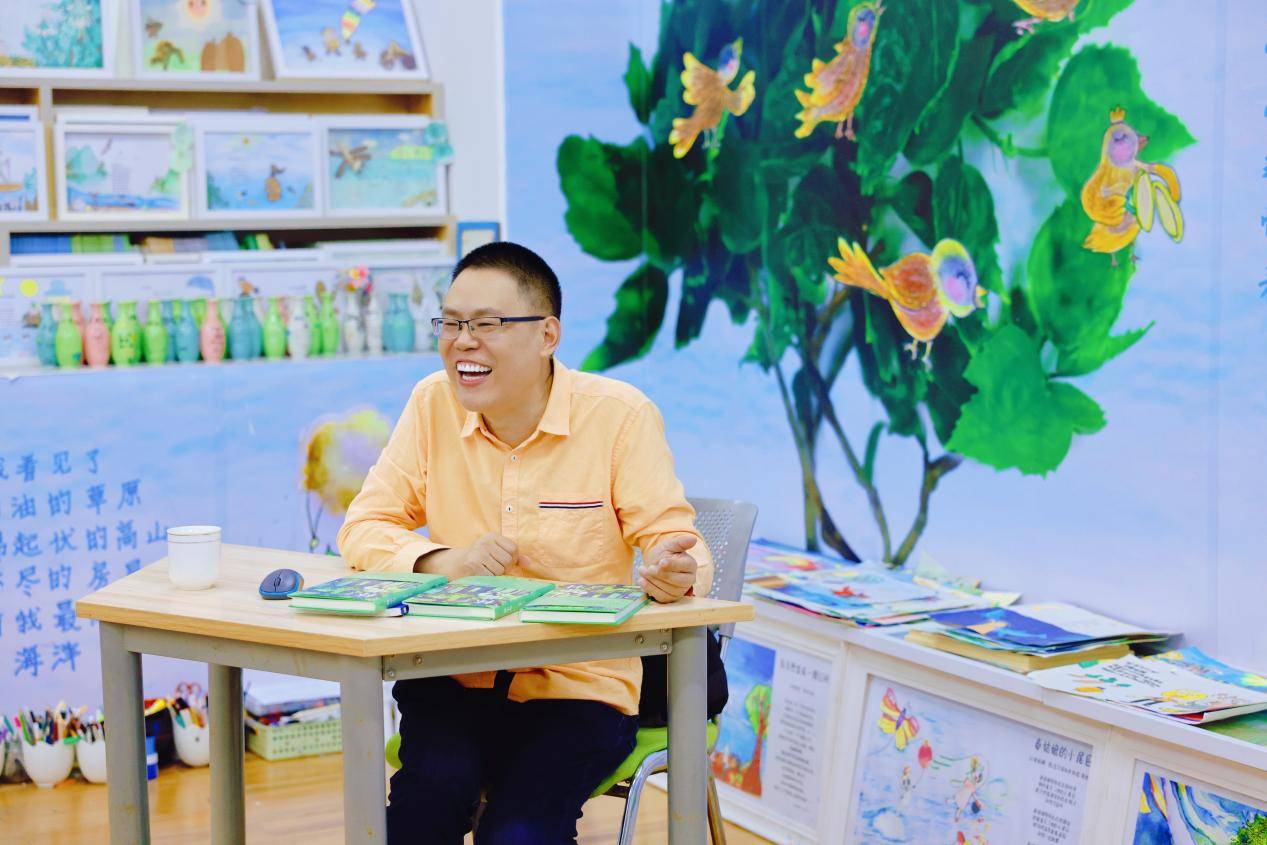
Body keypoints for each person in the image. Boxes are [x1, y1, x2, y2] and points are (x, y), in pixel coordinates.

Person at [337, 241, 713, 844]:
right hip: (453, 676)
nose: (463, 342)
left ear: (547, 335)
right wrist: (445, 560)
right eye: (451, 323)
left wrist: (677, 570)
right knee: (422, 813)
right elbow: (363, 526)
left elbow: (677, 541)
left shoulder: (618, 416)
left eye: (487, 325)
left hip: (579, 689)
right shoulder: (431, 404)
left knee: (519, 833)